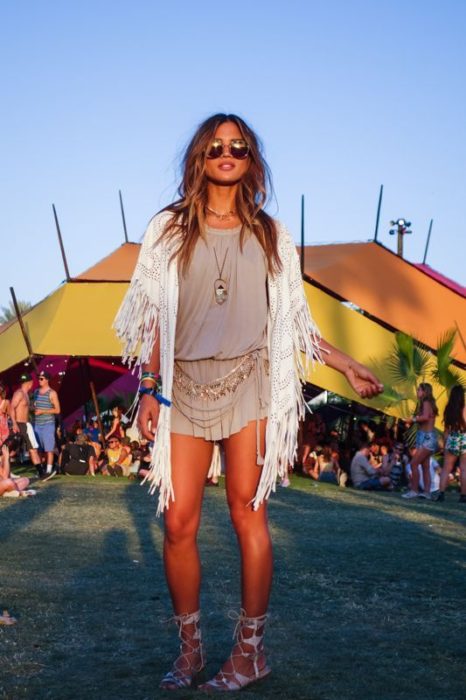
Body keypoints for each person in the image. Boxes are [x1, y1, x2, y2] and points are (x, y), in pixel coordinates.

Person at [113, 113, 383, 692]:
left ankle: (250, 653)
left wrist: (347, 365)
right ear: (200, 157)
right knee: (179, 522)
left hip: (250, 384)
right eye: (216, 146)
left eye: (238, 146)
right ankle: (190, 651)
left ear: (250, 159)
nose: (226, 153)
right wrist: (150, 390)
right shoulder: (167, 230)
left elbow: (294, 323)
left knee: (247, 514)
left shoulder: (271, 234)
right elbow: (156, 315)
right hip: (182, 386)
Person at [402, 383, 438, 500]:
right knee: (425, 466)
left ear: (425, 391)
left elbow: (426, 417)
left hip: (427, 438)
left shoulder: (426, 402)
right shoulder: (425, 403)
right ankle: (427, 493)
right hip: (424, 437)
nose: (417, 392)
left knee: (413, 464)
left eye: (419, 390)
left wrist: (412, 419)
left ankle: (414, 490)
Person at [435, 385, 466, 503]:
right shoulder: (465, 408)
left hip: (452, 437)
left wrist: (445, 442)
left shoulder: (448, 409)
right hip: (464, 437)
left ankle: (441, 494)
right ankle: (463, 496)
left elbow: (446, 429)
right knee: (464, 469)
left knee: (446, 468)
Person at [9, 373, 43, 477]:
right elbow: (11, 407)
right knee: (17, 450)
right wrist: (14, 424)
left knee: (14, 450)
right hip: (20, 424)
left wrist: (34, 409)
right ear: (30, 383)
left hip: (25, 425)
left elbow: (23, 409)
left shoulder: (26, 394)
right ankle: (41, 473)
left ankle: (40, 472)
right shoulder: (19, 393)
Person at [33, 371, 60, 478]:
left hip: (48, 424)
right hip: (37, 424)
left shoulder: (52, 393)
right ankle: (41, 471)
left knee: (49, 449)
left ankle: (48, 471)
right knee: (38, 449)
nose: (39, 380)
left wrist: (42, 411)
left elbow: (57, 410)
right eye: (39, 378)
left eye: (42, 378)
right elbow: (34, 407)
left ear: (47, 380)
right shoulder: (36, 392)